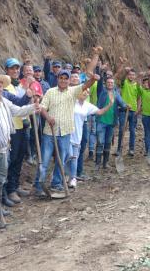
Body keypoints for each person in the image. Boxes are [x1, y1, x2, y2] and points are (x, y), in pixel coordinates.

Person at [35, 47, 101, 196]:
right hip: (49, 133)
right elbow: (43, 108)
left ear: (68, 80)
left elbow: (85, 85)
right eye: (61, 78)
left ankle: (56, 184)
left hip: (65, 132)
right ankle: (39, 186)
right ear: (57, 79)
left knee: (61, 159)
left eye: (66, 78)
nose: (63, 81)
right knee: (44, 161)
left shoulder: (73, 91)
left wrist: (93, 79)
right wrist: (48, 117)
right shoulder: (51, 92)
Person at [0, 72, 39, 225]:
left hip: (5, 146)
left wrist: (33, 106)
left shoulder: (4, 101)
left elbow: (18, 111)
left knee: (0, 178)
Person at [70, 87, 113, 187]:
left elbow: (100, 112)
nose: (86, 93)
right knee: (67, 156)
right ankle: (62, 177)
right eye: (84, 91)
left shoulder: (87, 106)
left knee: (74, 157)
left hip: (77, 135)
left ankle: (72, 178)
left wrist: (110, 104)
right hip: (66, 134)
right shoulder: (71, 101)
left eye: (88, 92)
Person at [3, 58, 32, 205]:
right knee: (12, 159)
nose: (15, 71)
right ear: (6, 70)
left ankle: (15, 186)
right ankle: (9, 190)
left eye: (16, 68)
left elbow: (25, 102)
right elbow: (17, 103)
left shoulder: (19, 85)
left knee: (20, 157)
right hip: (11, 128)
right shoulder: (5, 87)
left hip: (23, 126)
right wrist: (27, 96)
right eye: (11, 68)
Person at [95, 74, 127, 171]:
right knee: (100, 142)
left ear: (114, 84)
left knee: (108, 143)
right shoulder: (101, 91)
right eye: (108, 82)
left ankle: (105, 163)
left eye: (111, 83)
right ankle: (97, 164)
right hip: (101, 121)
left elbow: (122, 104)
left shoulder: (116, 94)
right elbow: (99, 82)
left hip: (111, 122)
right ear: (105, 84)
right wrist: (100, 71)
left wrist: (126, 106)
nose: (110, 84)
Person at [116, 64, 141, 157]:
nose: (131, 76)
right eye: (130, 74)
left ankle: (131, 149)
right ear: (128, 75)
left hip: (133, 111)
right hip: (123, 110)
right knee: (122, 130)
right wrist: (125, 72)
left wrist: (138, 109)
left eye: (133, 75)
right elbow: (121, 79)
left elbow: (139, 98)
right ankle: (119, 149)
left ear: (135, 76)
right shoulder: (124, 83)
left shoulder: (137, 85)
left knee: (132, 130)